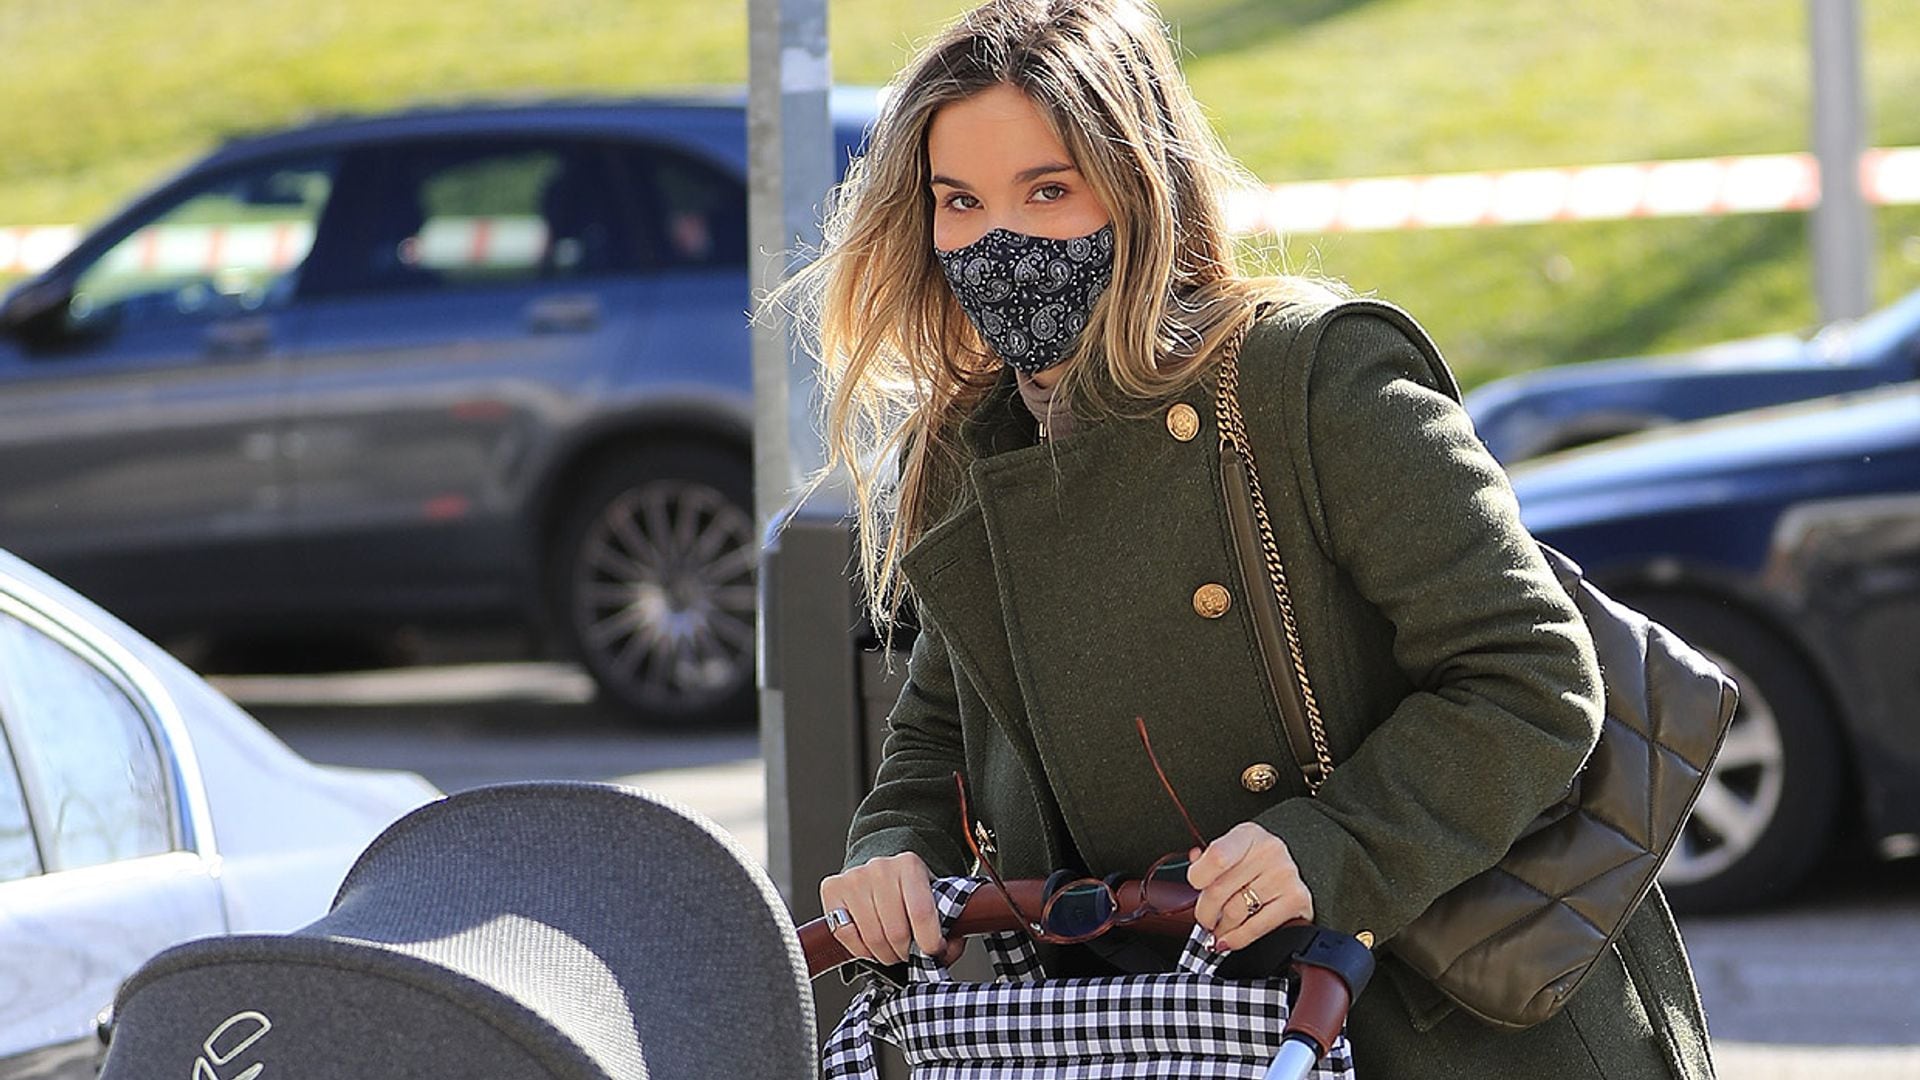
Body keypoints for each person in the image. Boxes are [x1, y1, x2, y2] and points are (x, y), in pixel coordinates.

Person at [781, 1, 1716, 1076]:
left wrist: (1330, 848)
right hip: (1165, 1039)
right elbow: (942, 731)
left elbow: (1534, 681)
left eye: (1050, 190)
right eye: (960, 202)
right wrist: (891, 852)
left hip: (1447, 1028)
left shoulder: (1314, 381)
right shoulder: (966, 453)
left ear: (1143, 190)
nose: (1002, 243)